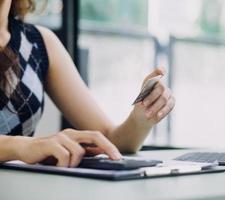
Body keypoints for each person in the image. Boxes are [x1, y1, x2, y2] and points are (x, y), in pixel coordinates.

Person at [0, 0, 175, 168]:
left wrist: (141, 119)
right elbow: (24, 147)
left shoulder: (38, 43)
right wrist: (22, 146)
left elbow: (109, 141)